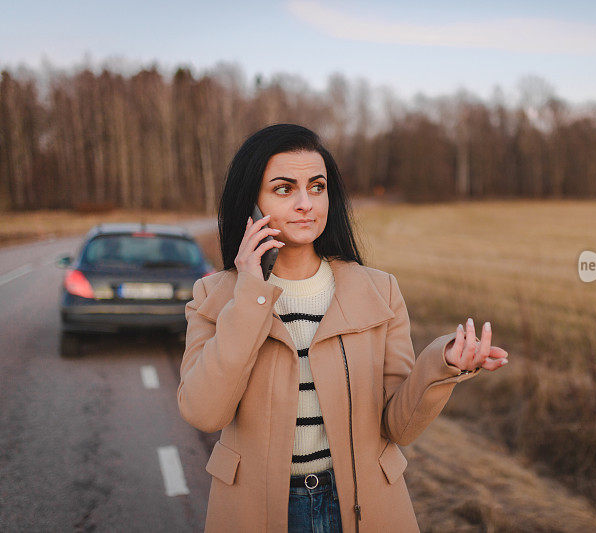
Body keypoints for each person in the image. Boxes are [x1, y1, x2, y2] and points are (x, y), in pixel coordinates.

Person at [177, 124, 510, 533]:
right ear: (252, 204)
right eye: (284, 189)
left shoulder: (378, 290)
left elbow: (399, 427)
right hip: (258, 512)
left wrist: (443, 364)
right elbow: (204, 412)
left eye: (316, 187)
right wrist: (249, 296)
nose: (305, 203)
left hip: (364, 507)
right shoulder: (213, 296)